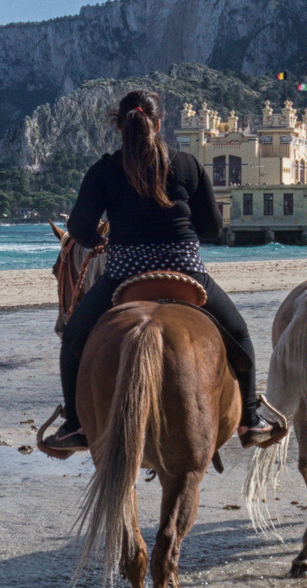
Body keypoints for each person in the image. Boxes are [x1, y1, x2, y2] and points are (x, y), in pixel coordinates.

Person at [42, 89, 280, 452]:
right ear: (158, 124)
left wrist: (101, 242)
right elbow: (213, 228)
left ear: (119, 127)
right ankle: (249, 420)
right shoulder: (187, 164)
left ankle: (75, 425)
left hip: (125, 274)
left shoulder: (105, 169)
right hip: (185, 271)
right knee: (240, 334)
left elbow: (78, 229)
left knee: (73, 338)